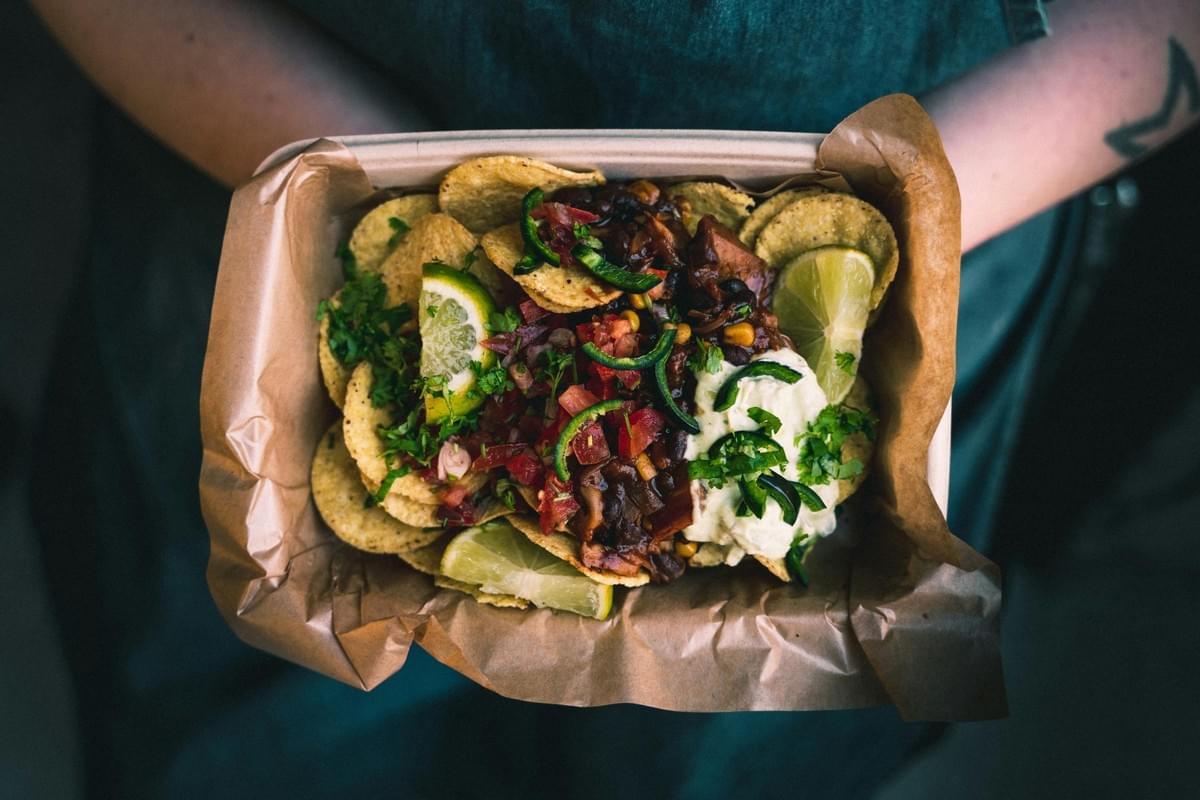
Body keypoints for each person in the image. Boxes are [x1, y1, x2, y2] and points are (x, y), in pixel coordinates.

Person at [26, 1, 1200, 797]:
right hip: (261, 190)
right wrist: (364, 184)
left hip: (941, 225)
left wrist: (910, 215)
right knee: (263, 744)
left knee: (732, 765)